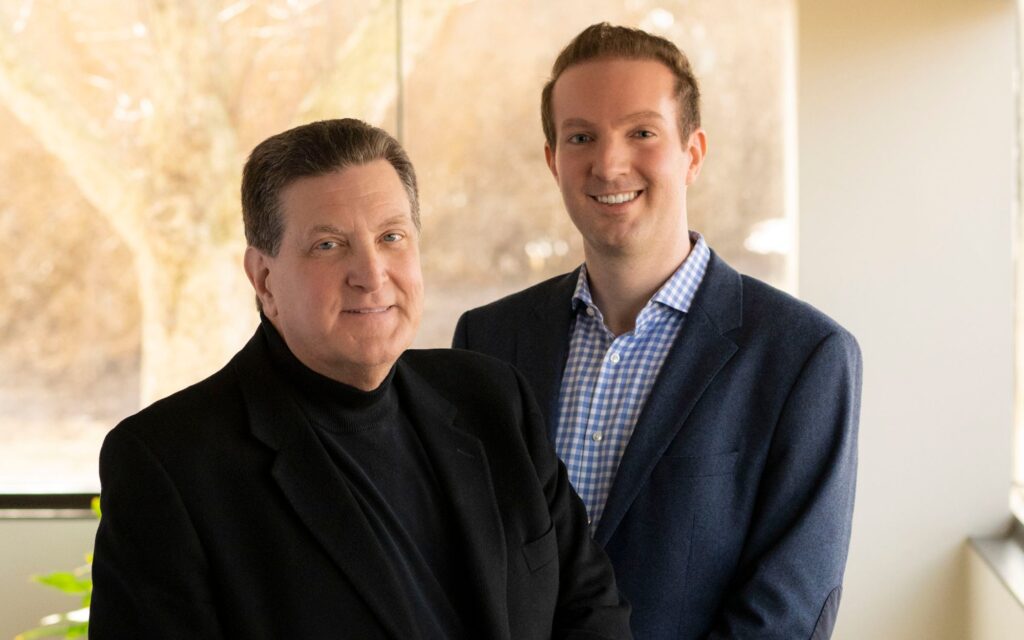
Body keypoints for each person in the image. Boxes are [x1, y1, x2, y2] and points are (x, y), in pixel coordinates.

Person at [90, 118, 632, 639]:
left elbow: (589, 607)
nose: (371, 275)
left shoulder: (493, 400)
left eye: (391, 237)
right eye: (328, 245)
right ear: (265, 279)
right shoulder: (170, 464)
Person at [453, 23, 862, 640]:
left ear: (692, 153)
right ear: (552, 160)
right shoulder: (487, 342)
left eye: (641, 133)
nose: (609, 163)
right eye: (581, 136)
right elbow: (457, 565)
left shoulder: (805, 357)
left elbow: (786, 614)